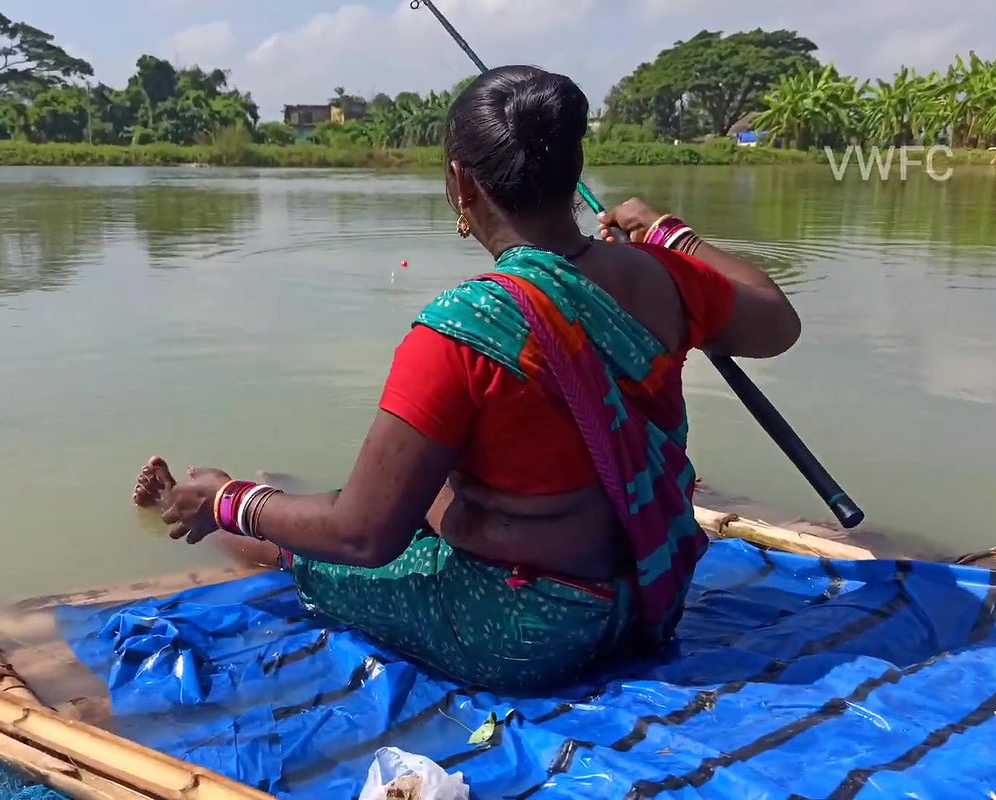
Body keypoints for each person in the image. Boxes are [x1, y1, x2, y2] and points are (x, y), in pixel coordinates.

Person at [133, 65, 800, 692]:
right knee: (418, 496)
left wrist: (232, 501)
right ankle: (242, 494)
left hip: (530, 634)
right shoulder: (661, 276)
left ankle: (202, 501)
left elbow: (364, 537)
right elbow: (776, 321)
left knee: (287, 542)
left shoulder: (462, 330)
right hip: (650, 598)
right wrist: (666, 230)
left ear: (462, 183)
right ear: (574, 171)